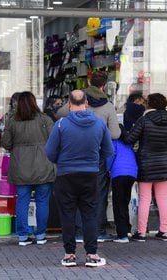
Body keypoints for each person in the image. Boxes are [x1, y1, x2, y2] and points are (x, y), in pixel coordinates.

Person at [45, 89, 113, 267]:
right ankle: (92, 255)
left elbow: (49, 152)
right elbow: (108, 150)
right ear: (86, 103)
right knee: (90, 214)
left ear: (69, 104)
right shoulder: (99, 123)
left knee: (67, 215)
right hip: (90, 175)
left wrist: (62, 161)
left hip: (66, 175)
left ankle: (69, 255)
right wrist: (94, 161)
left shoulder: (61, 124)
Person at [56, 71, 120, 242]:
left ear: (89, 82)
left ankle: (77, 232)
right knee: (96, 195)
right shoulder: (108, 106)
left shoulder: (79, 101)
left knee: (74, 196)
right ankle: (98, 231)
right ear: (104, 86)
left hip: (72, 153)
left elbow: (59, 114)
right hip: (96, 155)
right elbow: (115, 134)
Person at [0, 91, 56, 246]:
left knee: (22, 201)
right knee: (42, 201)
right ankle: (40, 235)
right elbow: (55, 140)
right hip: (43, 165)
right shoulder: (45, 119)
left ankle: (23, 236)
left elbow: (6, 143)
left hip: (20, 166)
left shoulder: (12, 121)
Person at [121, 93, 167, 242]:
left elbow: (129, 139)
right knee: (163, 198)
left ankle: (141, 232)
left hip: (146, 163)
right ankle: (164, 231)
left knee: (145, 198)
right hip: (165, 164)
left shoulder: (144, 120)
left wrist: (121, 129)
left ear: (150, 104)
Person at [106, 136, 138, 243]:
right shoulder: (128, 143)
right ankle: (127, 229)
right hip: (132, 173)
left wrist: (106, 169)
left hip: (119, 173)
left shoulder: (113, 142)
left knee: (118, 204)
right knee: (125, 202)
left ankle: (122, 235)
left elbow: (110, 156)